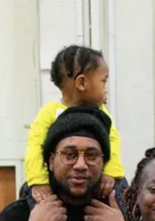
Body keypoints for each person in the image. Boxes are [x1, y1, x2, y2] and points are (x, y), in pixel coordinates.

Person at [2, 106, 128, 221]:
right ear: (51, 161)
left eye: (92, 156)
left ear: (104, 163)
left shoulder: (124, 214)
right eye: (69, 155)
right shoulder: (19, 215)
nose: (81, 165)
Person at [24, 45, 127, 203]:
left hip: (94, 180)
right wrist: (39, 180)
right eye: (103, 81)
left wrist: (110, 172)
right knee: (31, 192)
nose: (106, 89)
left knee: (120, 186)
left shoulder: (101, 113)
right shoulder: (49, 112)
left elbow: (113, 142)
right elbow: (35, 146)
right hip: (58, 181)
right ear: (82, 83)